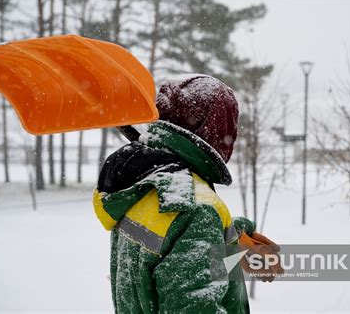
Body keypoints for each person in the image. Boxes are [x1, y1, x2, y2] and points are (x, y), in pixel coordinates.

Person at [93, 74, 277, 313]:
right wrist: (208, 232)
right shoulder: (195, 210)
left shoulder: (144, 183)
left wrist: (231, 240)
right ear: (214, 130)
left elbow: (169, 248)